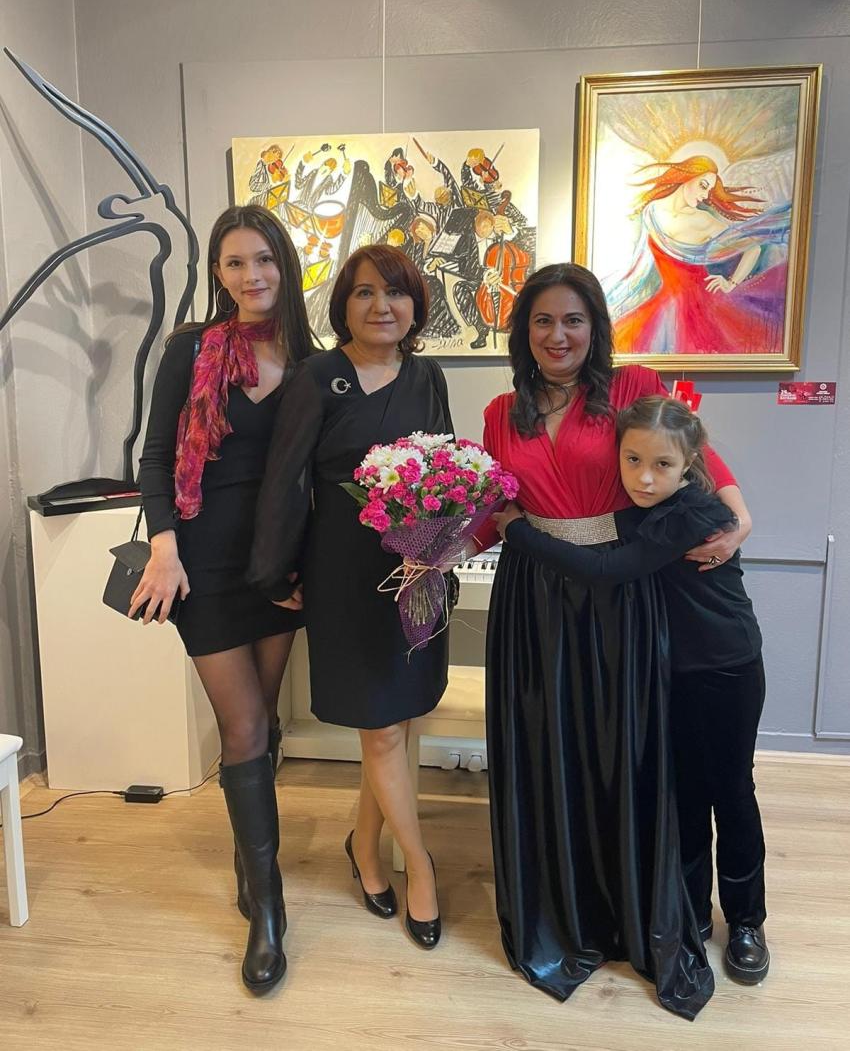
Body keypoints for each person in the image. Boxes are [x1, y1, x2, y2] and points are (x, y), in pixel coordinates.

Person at [479, 262, 752, 1020]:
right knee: (550, 751)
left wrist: (740, 516)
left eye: (573, 319)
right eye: (542, 320)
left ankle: (635, 910)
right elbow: (494, 508)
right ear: (523, 331)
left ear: (595, 326)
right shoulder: (501, 411)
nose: (558, 334)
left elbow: (696, 453)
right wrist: (428, 544)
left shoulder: (632, 385)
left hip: (622, 592)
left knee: (622, 753)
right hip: (533, 599)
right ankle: (565, 910)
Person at [249, 245, 453, 950]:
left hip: (415, 569)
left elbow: (446, 469)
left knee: (392, 721)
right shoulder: (318, 376)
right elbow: (284, 478)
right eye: (365, 293)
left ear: (415, 306)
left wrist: (444, 549)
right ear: (344, 305)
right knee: (381, 727)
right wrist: (276, 571)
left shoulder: (428, 375)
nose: (381, 306)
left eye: (395, 293)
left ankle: (364, 847)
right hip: (343, 572)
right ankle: (419, 866)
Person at [134, 204, 316, 994]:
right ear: (217, 271)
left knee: (262, 719)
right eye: (235, 262)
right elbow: (154, 456)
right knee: (241, 725)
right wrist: (164, 546)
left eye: (264, 259)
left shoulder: (312, 358)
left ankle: (252, 858)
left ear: (285, 265)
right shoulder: (191, 349)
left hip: (277, 565)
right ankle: (268, 910)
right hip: (202, 565)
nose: (252, 275)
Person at [606, 155, 791, 356]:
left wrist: (731, 283)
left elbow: (753, 248)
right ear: (687, 176)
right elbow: (641, 267)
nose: (705, 196)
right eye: (703, 186)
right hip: (665, 302)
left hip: (703, 304)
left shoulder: (704, 220)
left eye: (709, 191)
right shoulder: (652, 211)